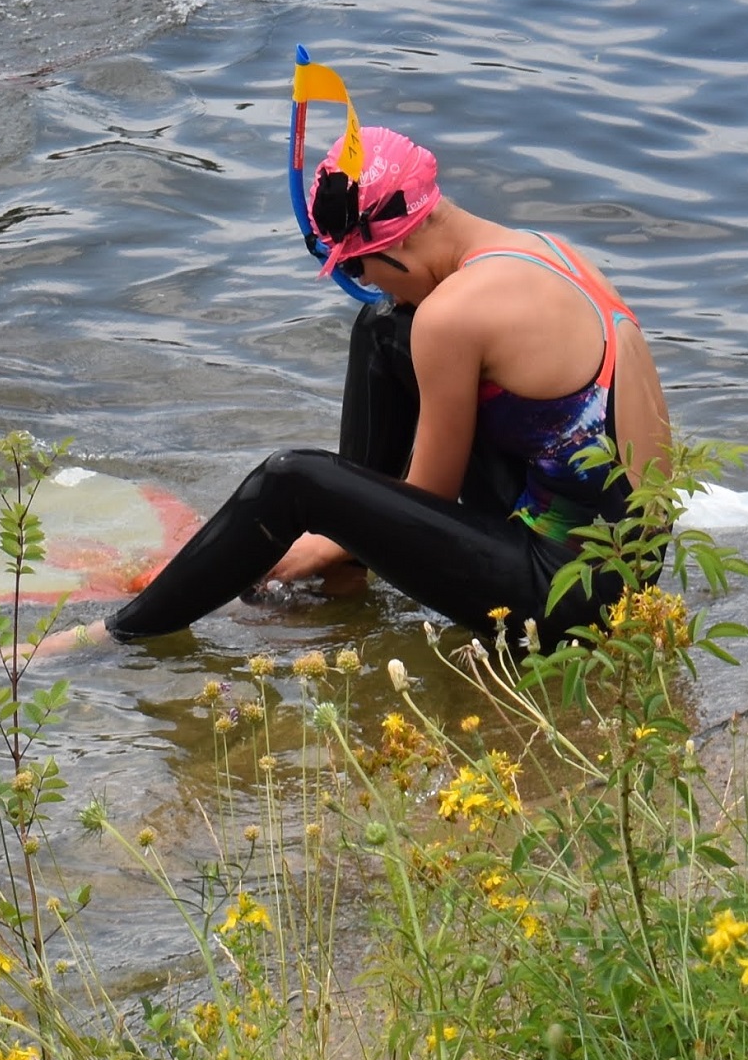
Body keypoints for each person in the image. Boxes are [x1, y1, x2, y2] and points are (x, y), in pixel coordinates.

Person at [103, 63, 673, 648]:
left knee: (293, 480)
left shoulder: (451, 316)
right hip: (624, 564)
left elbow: (427, 499)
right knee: (383, 329)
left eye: (357, 267)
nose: (366, 284)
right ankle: (343, 578)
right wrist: (345, 541)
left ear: (393, 242)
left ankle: (116, 634)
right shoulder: (542, 250)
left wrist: (317, 536)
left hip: (569, 602)